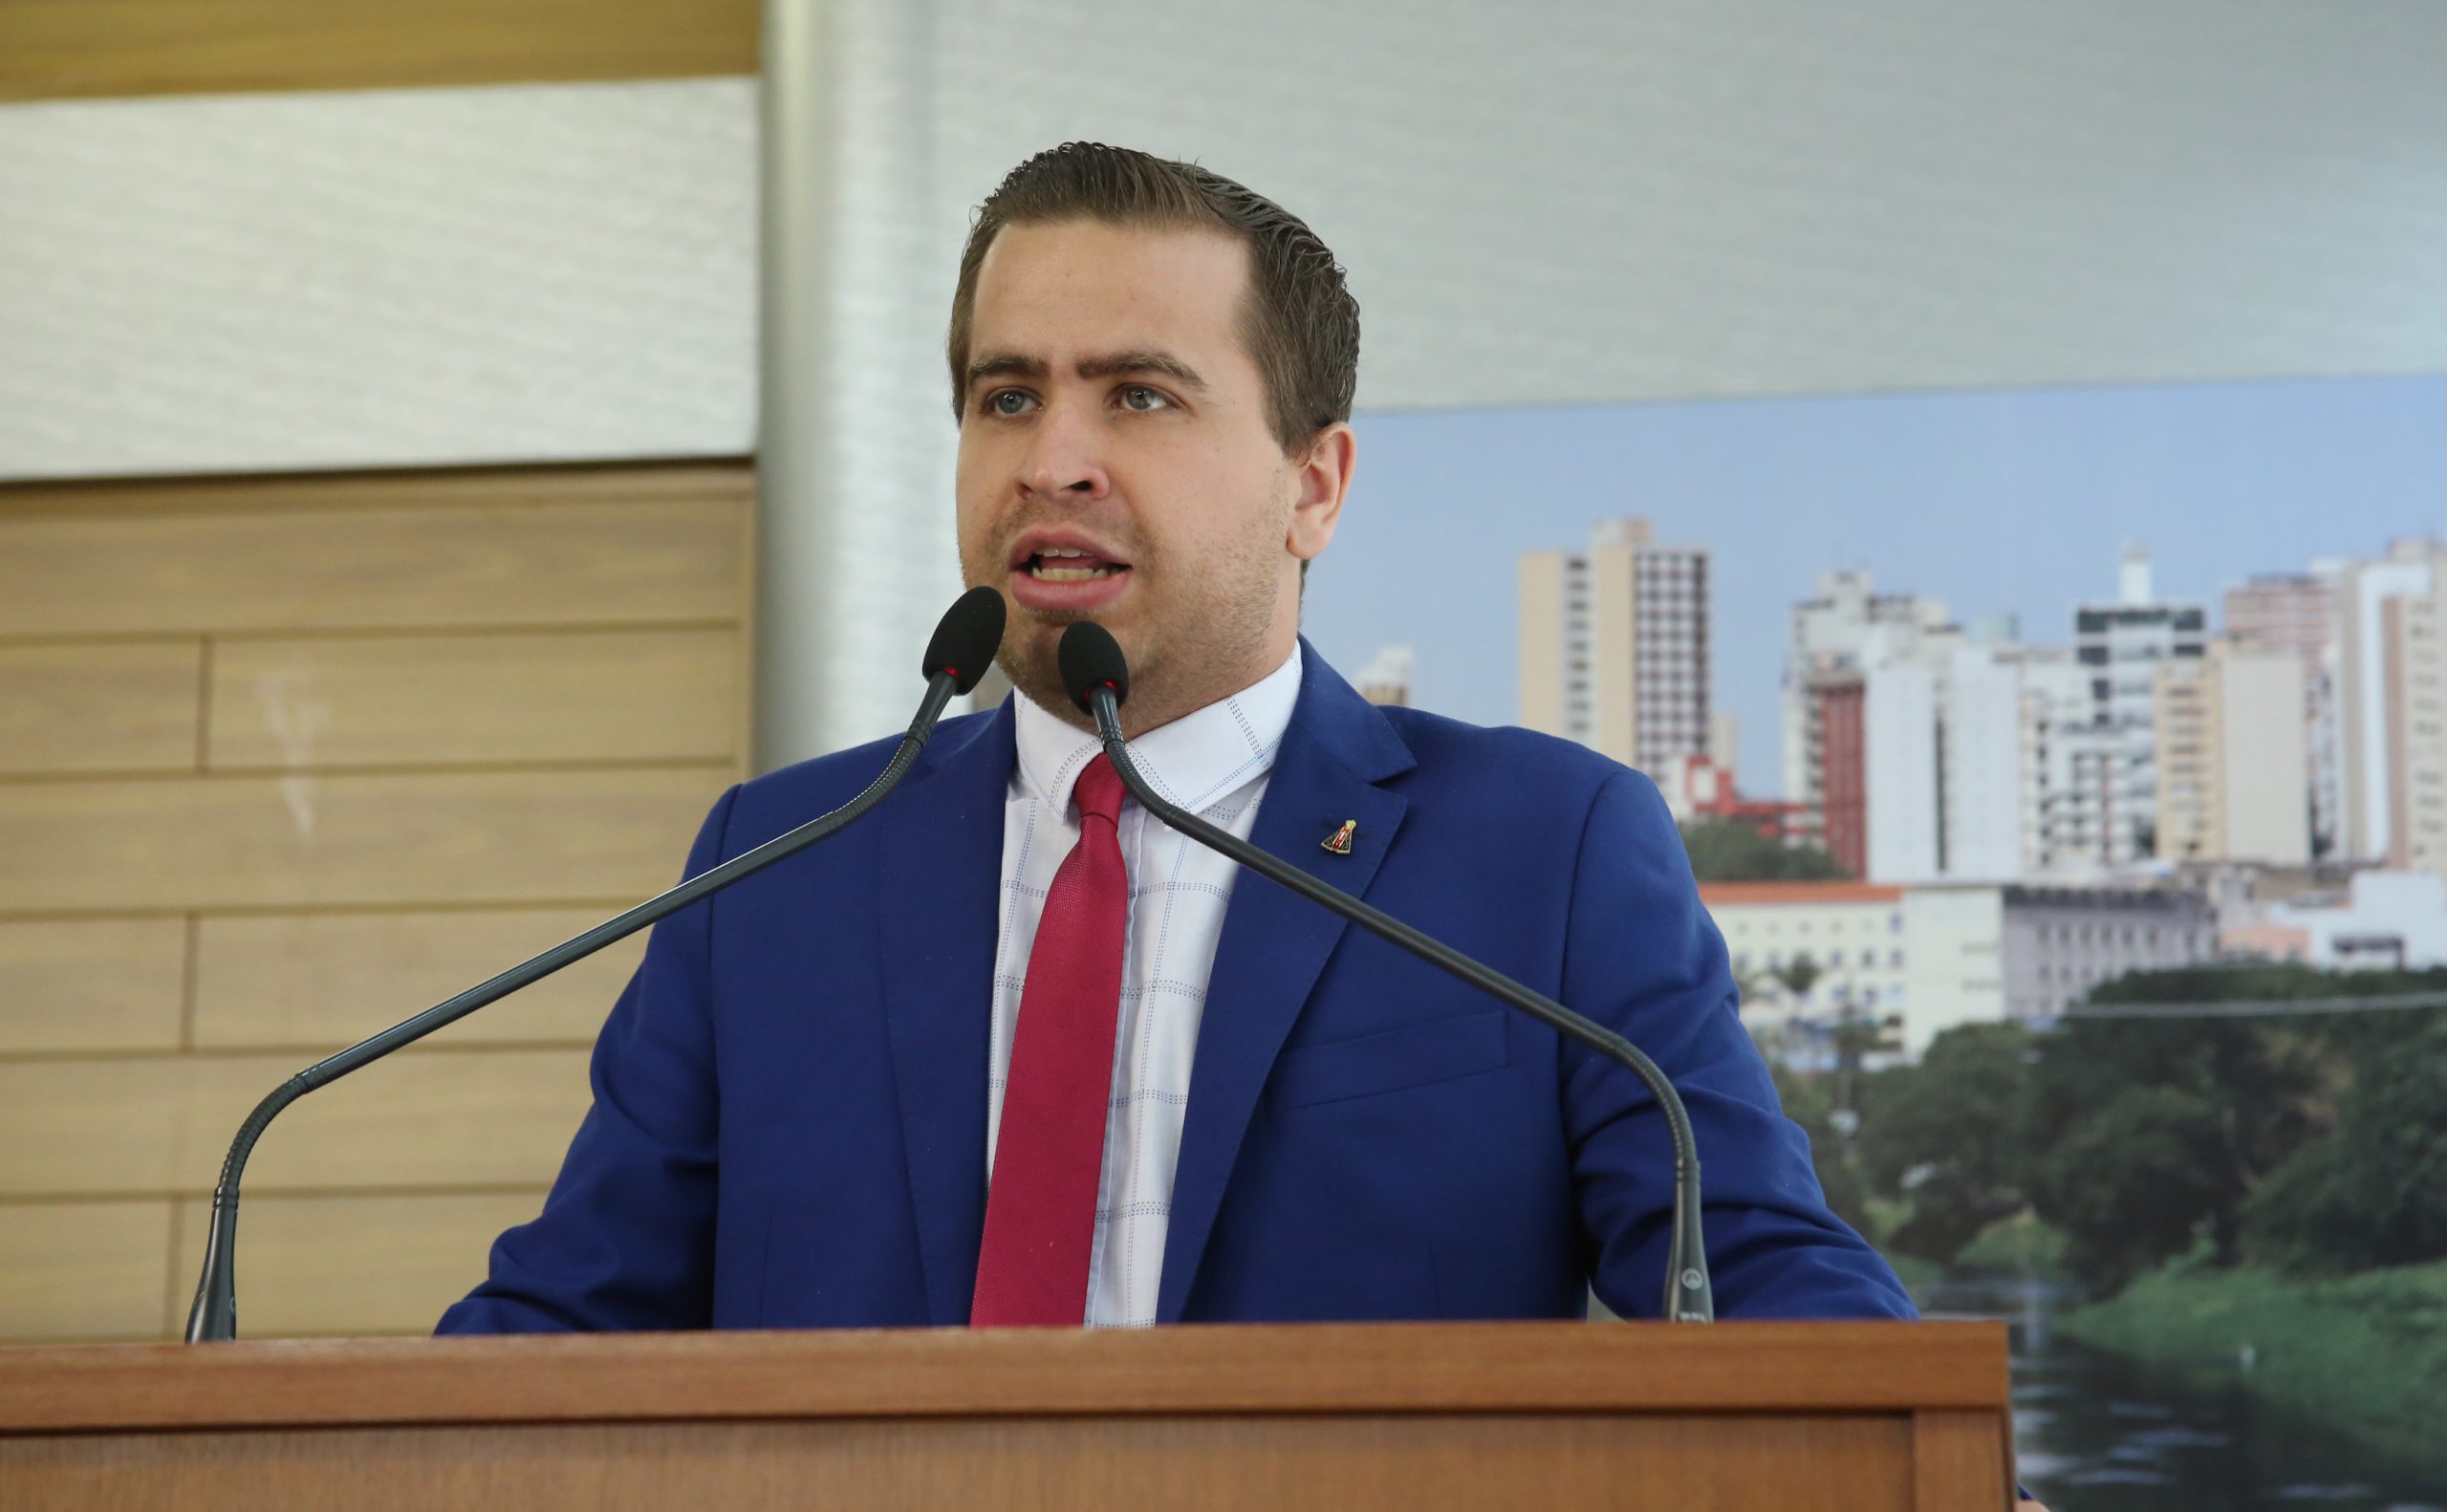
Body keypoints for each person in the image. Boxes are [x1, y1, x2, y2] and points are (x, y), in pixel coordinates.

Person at [436, 141, 1916, 1338]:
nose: (1052, 460)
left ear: (1313, 487)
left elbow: (1754, 1270)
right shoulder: (776, 870)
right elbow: (567, 1326)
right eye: (1006, 397)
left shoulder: (1543, 851)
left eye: (1138, 396)